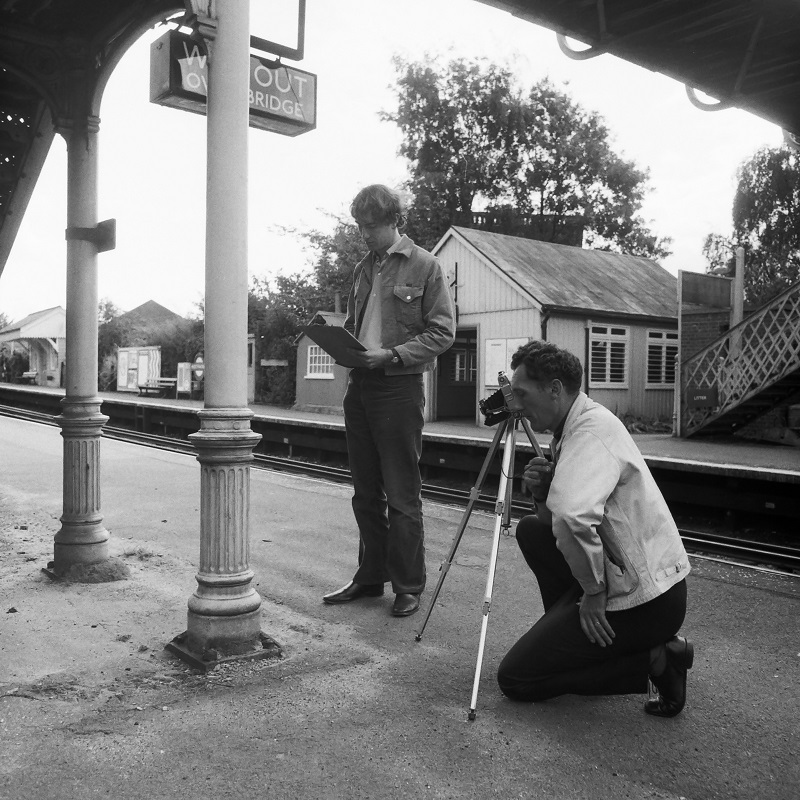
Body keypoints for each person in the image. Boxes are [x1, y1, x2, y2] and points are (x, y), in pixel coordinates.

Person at [497, 341, 694, 717]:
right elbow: (554, 521)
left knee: (516, 679)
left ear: (555, 389)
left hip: (646, 601)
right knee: (531, 530)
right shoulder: (579, 422)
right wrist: (543, 493)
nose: (515, 405)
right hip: (651, 582)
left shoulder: (587, 434)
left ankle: (657, 660)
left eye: (522, 394)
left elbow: (573, 517)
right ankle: (570, 636)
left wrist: (593, 591)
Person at [323, 184, 456, 617]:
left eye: (370, 226)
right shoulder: (363, 267)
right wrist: (340, 343)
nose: (363, 233)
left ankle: (408, 585)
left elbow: (442, 333)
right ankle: (369, 576)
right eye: (359, 225)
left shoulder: (425, 265)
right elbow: (356, 323)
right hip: (359, 386)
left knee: (401, 492)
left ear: (392, 221)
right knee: (364, 491)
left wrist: (393, 355)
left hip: (398, 387)